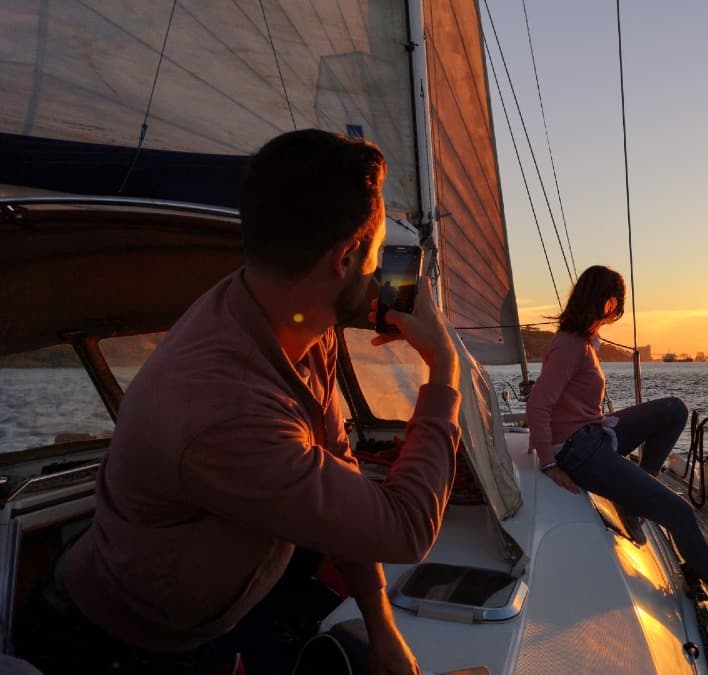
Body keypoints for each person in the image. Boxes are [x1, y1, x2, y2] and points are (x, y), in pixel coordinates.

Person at [16, 129, 461, 674]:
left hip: (202, 622)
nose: (378, 272)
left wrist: (380, 624)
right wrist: (444, 368)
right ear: (345, 257)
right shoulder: (225, 409)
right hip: (113, 644)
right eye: (374, 253)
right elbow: (406, 527)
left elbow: (339, 463)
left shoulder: (294, 320)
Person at [526, 265, 708, 640]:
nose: (615, 314)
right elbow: (539, 404)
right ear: (607, 303)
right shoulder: (570, 346)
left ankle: (635, 502)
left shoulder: (583, 341)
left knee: (673, 410)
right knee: (679, 513)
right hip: (578, 452)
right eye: (616, 306)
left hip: (596, 434)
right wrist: (550, 463)